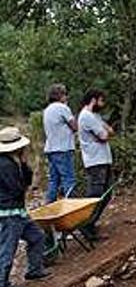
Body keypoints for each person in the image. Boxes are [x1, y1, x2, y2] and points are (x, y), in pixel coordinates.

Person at [0, 126, 51, 287]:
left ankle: (34, 270)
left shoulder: (13, 162)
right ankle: (2, 283)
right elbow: (18, 188)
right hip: (9, 212)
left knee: (37, 236)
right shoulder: (5, 165)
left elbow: (25, 182)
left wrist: (24, 164)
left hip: (16, 210)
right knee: (8, 247)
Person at [77, 89, 114, 240]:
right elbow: (105, 135)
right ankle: (86, 224)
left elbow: (109, 131)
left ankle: (90, 223)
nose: (103, 104)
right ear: (93, 100)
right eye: (101, 100)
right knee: (96, 195)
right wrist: (104, 133)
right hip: (95, 160)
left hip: (102, 159)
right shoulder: (87, 116)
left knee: (106, 193)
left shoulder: (95, 116)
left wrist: (105, 132)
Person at [42, 83, 78, 202]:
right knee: (69, 179)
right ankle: (72, 205)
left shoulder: (47, 110)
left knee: (54, 180)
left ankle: (49, 205)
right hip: (63, 148)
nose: (66, 97)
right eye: (65, 94)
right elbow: (75, 126)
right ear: (60, 95)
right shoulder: (62, 108)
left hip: (50, 149)